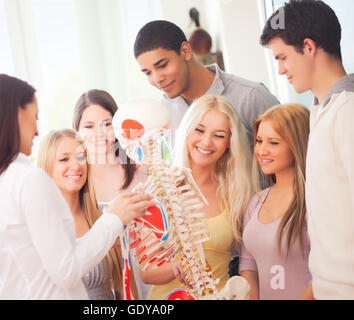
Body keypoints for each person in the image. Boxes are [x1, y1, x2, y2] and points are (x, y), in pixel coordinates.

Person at [0, 74, 156, 300]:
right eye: (35, 117)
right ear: (14, 116)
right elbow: (67, 271)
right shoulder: (28, 180)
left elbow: (47, 260)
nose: (37, 130)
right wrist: (114, 218)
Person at [260, 0, 354, 299]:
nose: (281, 69)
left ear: (309, 47)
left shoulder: (347, 111)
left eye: (283, 57)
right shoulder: (320, 111)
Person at [141, 95, 252, 299]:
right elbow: (146, 273)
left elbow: (249, 263)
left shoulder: (237, 193)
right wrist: (178, 267)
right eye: (199, 130)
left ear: (229, 143)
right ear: (187, 131)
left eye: (218, 135)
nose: (206, 142)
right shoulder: (160, 188)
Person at [133, 20, 279, 148]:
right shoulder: (163, 114)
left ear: (185, 51)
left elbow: (295, 158)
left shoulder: (250, 97)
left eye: (163, 65)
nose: (157, 79)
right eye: (148, 73)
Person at [37, 128, 134, 299]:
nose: (76, 165)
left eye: (81, 156)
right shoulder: (39, 225)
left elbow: (125, 288)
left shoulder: (107, 216)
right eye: (64, 159)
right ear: (46, 166)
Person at [73, 89, 151, 299]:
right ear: (77, 130)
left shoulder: (141, 169)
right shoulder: (76, 181)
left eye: (106, 124)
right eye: (88, 126)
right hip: (109, 280)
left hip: (152, 271)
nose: (99, 134)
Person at [240, 104, 312, 300]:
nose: (262, 150)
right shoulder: (255, 202)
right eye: (259, 141)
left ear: (297, 144)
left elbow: (328, 268)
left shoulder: (314, 201)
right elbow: (248, 265)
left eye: (273, 143)